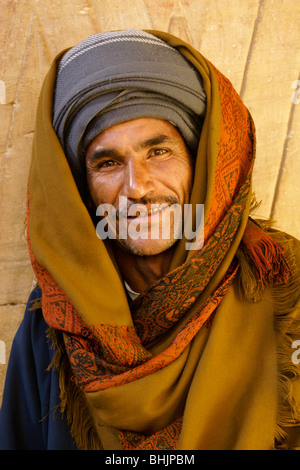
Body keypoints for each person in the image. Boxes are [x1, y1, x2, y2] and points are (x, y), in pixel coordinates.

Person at [0, 29, 299, 451]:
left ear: (202, 163)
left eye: (158, 152)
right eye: (107, 163)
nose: (137, 187)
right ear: (82, 188)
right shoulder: (54, 317)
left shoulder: (285, 283)